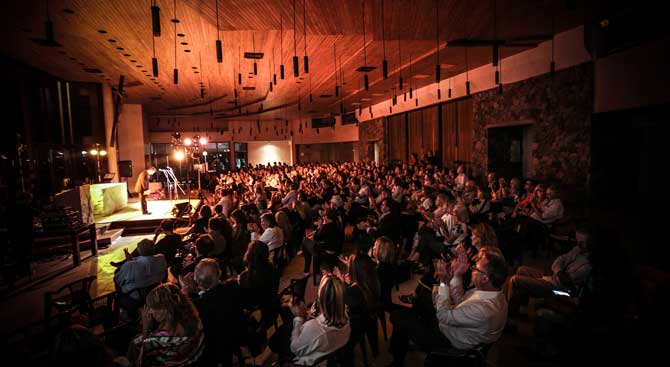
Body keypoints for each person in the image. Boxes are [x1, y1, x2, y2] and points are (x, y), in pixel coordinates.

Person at [389, 249, 508, 366]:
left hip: (448, 340)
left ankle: (398, 359)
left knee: (398, 315)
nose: (471, 270)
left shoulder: (484, 310)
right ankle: (408, 336)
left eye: (475, 268)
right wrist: (456, 275)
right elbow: (461, 301)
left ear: (485, 278)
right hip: (458, 327)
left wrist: (443, 282)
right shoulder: (494, 293)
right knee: (422, 300)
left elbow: (443, 316)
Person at [506, 230, 592, 326]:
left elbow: (566, 280)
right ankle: (523, 311)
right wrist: (559, 271)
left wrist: (558, 270)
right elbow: (560, 260)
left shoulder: (588, 264)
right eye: (577, 241)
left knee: (515, 280)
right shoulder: (578, 249)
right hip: (553, 277)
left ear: (591, 243)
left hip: (558, 288)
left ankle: (510, 321)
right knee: (522, 269)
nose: (578, 245)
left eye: (582, 243)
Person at [267, 274, 351, 366]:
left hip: (306, 359)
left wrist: (299, 318)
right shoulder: (346, 318)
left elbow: (294, 347)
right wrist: (309, 315)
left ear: (321, 298)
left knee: (278, 336)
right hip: (326, 350)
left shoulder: (314, 329)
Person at [128, 283, 204, 367]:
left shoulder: (156, 340)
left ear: (164, 310)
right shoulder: (197, 322)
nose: (149, 312)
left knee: (134, 343)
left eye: (152, 307)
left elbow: (141, 363)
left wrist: (145, 327)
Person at [192, 259, 244, 367]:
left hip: (216, 349)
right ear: (219, 273)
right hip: (238, 336)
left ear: (198, 281)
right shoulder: (234, 286)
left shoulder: (200, 305)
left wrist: (185, 293)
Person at [114, 239, 167, 315]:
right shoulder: (161, 258)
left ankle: (124, 315)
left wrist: (129, 264)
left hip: (136, 297)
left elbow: (118, 280)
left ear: (139, 251)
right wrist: (132, 260)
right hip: (155, 291)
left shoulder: (130, 265)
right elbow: (147, 261)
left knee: (118, 286)